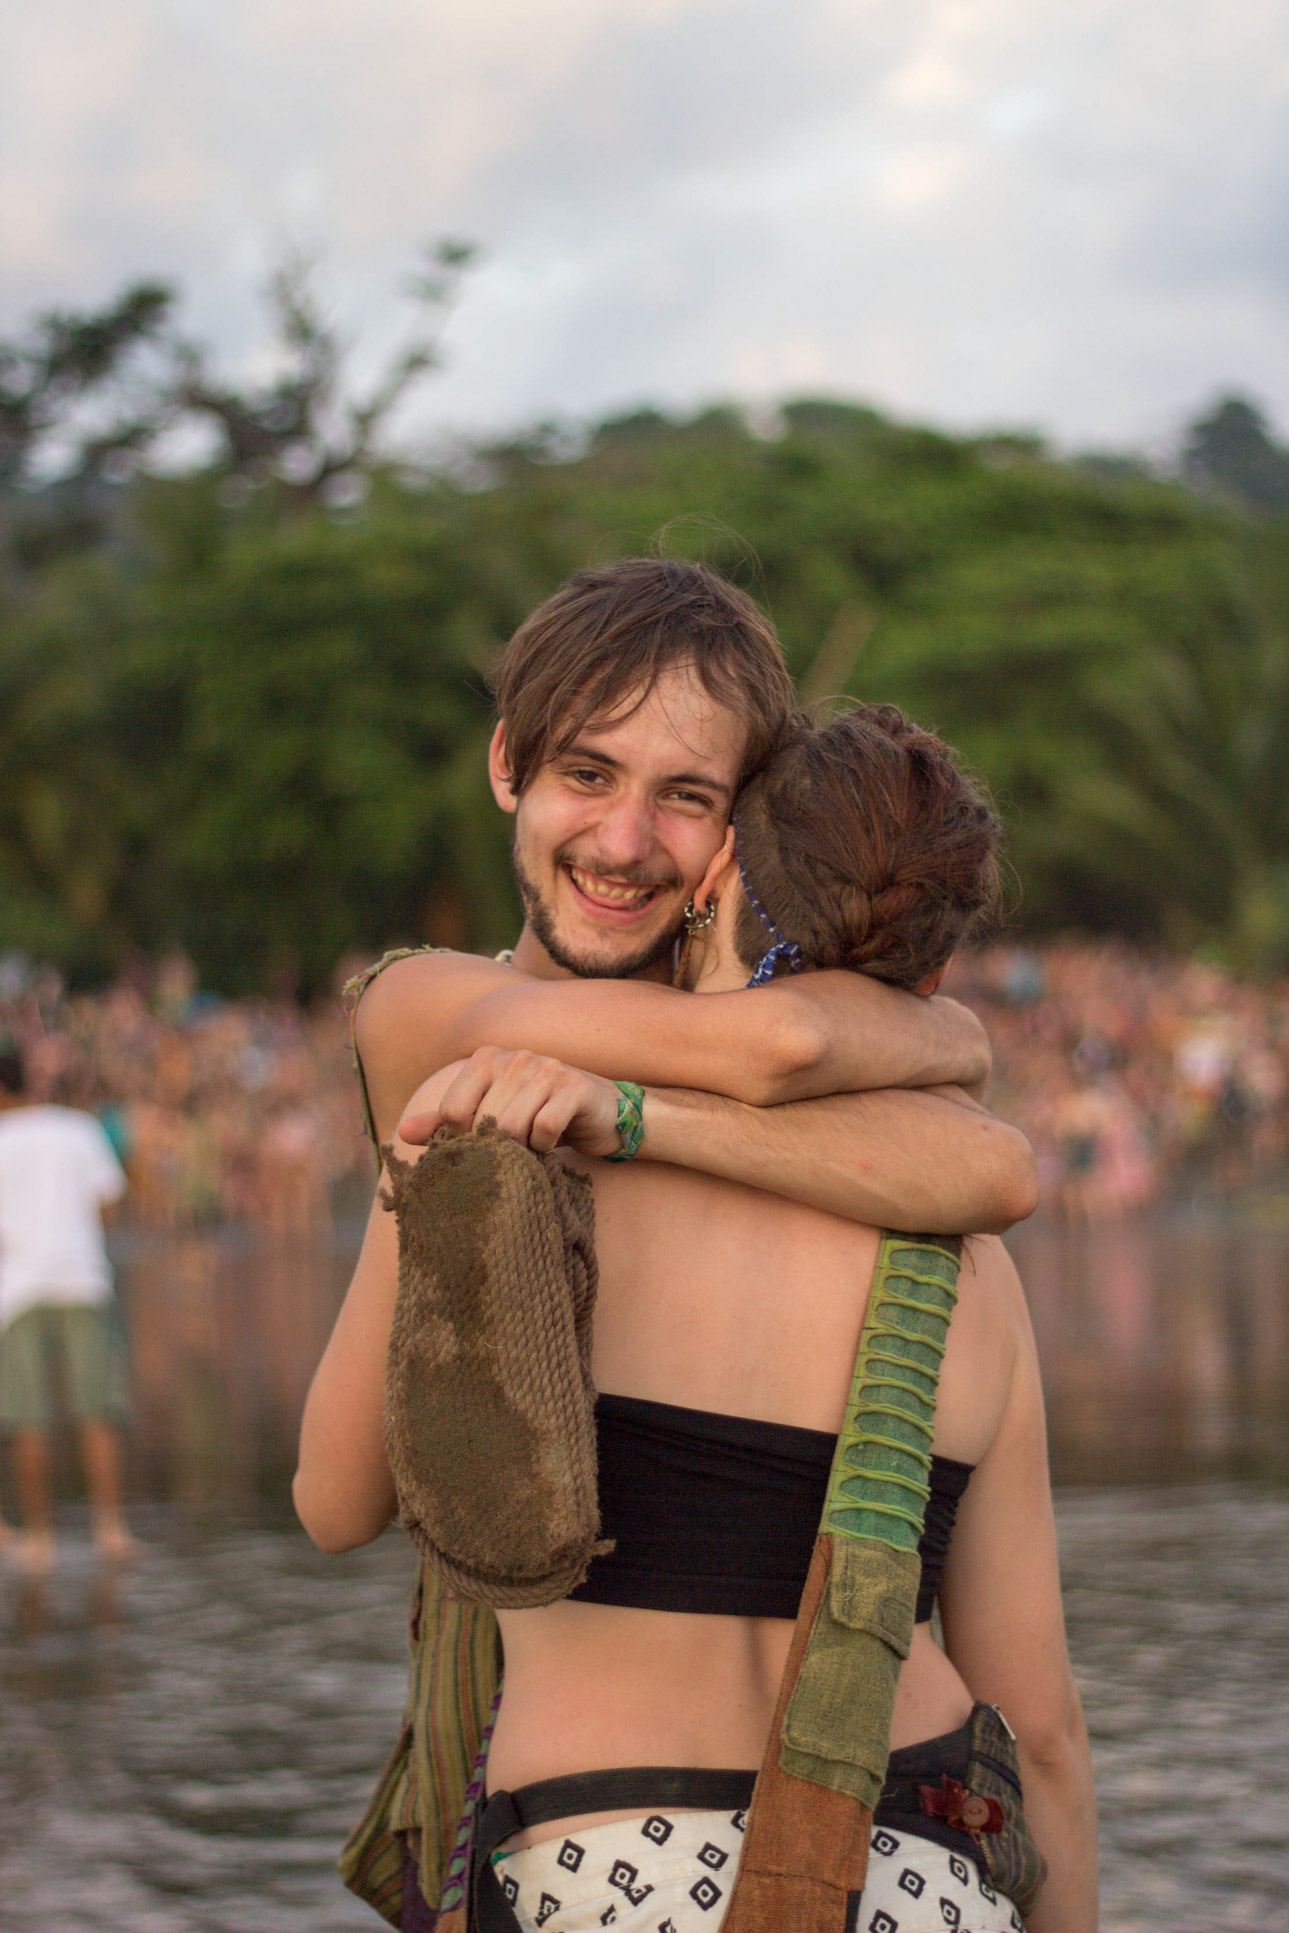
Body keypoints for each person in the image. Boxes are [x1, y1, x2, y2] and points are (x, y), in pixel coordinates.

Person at [294, 558, 1043, 1923]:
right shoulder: (426, 1008)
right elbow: (828, 1068)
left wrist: (627, 1117)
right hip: (923, 1846)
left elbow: (985, 1161)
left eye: (684, 797)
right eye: (589, 774)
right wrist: (946, 1033)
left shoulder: (555, 1113)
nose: (627, 841)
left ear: (736, 841)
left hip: (593, 1835)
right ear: (505, 763)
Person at [0, 1043, 135, 1573]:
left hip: (16, 1291)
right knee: (97, 1410)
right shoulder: (78, 1128)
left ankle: (39, 1537)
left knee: (27, 1417)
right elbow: (109, 1200)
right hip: (82, 1277)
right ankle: (111, 1528)